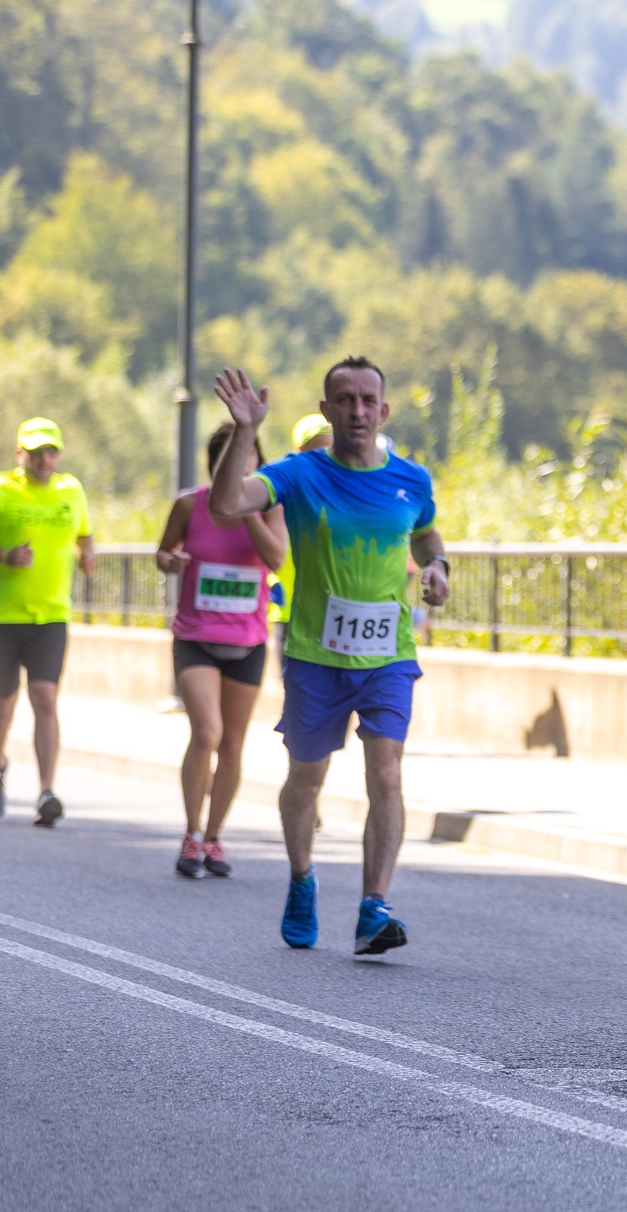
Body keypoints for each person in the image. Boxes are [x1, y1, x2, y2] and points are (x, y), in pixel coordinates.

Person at [208, 359, 450, 956]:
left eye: (368, 400)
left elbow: (425, 533)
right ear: (327, 410)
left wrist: (439, 566)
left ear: (383, 411)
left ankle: (373, 908)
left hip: (388, 655)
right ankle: (301, 878)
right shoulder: (299, 474)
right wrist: (245, 431)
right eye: (345, 399)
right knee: (306, 779)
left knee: (386, 773)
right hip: (317, 656)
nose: (357, 411)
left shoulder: (412, 480)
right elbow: (227, 504)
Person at [155, 425, 289, 878]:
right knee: (207, 732)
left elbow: (277, 560)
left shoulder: (271, 507)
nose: (242, 463)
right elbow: (162, 552)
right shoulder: (188, 504)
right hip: (195, 637)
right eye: (233, 455)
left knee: (232, 744)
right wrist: (170, 561)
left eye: (250, 454)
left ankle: (213, 838)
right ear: (216, 463)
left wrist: (245, 509)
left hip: (247, 642)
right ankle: (191, 834)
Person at [0, 418, 94, 826]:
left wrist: (88, 555)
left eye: (51, 451)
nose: (45, 459)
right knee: (5, 699)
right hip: (2, 615)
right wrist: (4, 556)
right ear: (20, 454)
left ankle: (46, 791)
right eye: (36, 452)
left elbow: (84, 534)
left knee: (45, 696)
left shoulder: (71, 490)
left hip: (51, 615)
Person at [268, 413, 333, 663]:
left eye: (330, 449)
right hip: (290, 613)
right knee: (293, 685)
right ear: (299, 451)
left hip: (332, 614)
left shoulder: (344, 495)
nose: (323, 456)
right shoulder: (283, 492)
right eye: (316, 449)